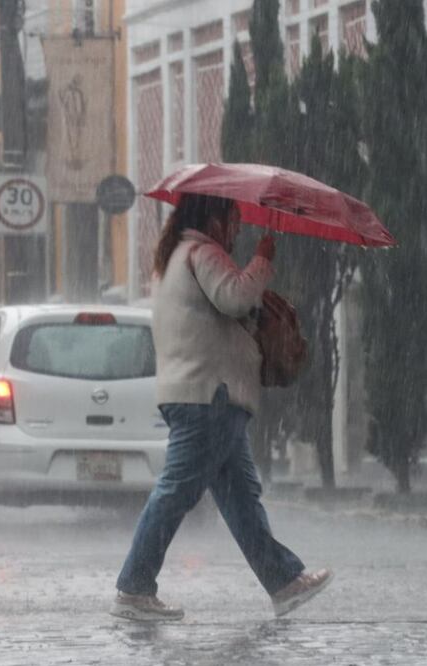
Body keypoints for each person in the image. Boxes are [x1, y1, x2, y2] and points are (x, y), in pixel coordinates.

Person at [111, 193, 332, 622]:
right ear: (215, 220)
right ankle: (134, 587)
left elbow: (218, 316)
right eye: (234, 220)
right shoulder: (202, 252)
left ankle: (283, 582)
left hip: (208, 396)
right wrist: (262, 261)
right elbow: (235, 297)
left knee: (241, 498)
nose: (237, 231)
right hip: (208, 396)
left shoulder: (178, 256)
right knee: (176, 492)